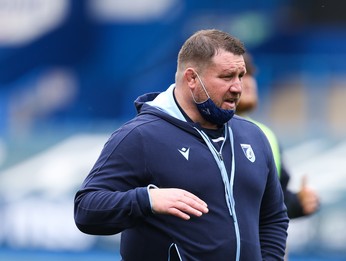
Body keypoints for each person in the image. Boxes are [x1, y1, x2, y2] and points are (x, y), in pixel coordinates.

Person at [74, 29, 289, 261]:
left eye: (241, 75)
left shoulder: (253, 136)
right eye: (227, 77)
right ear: (192, 79)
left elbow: (273, 217)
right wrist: (148, 200)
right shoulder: (141, 136)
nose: (238, 87)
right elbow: (86, 209)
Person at [236, 53, 319, 219]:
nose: (249, 83)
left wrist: (299, 203)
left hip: (259, 245)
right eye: (238, 76)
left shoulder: (266, 135)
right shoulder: (204, 130)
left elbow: (271, 200)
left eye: (250, 75)